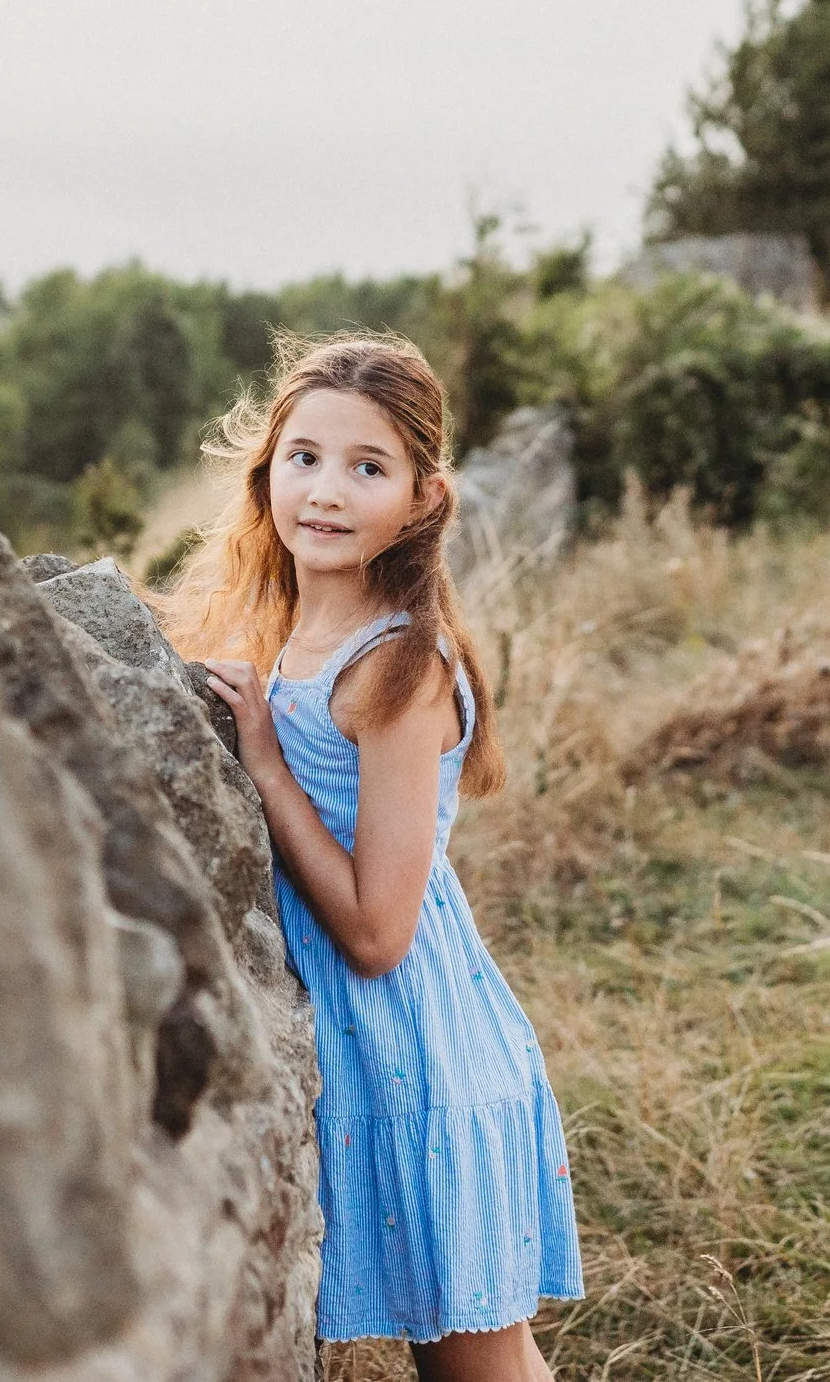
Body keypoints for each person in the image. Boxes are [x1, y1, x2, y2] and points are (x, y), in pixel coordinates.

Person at [163, 333, 581, 1381]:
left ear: (421, 497)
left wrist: (265, 763)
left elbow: (377, 930)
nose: (327, 491)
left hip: (417, 1053)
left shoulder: (395, 667)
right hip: (364, 1053)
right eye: (304, 456)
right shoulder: (282, 629)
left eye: (367, 466)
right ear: (266, 472)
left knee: (473, 1366)